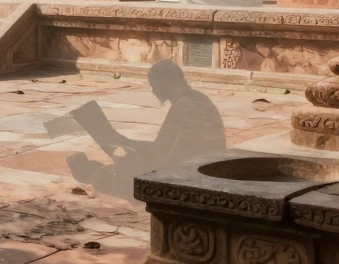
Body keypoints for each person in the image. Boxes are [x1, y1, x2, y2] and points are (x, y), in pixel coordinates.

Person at [66, 60, 227, 200]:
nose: (154, 91)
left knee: (114, 177)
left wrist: (129, 150)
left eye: (154, 85)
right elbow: (168, 147)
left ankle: (88, 171)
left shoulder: (183, 106)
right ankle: (92, 168)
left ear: (166, 82)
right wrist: (130, 144)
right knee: (127, 162)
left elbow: (162, 153)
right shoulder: (196, 98)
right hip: (204, 166)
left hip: (191, 175)